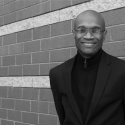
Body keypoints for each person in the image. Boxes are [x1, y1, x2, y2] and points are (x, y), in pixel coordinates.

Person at [49, 10, 125, 125]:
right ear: (74, 33)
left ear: (104, 34)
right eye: (82, 30)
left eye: (96, 30)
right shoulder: (57, 74)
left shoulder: (122, 70)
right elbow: (63, 116)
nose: (88, 36)